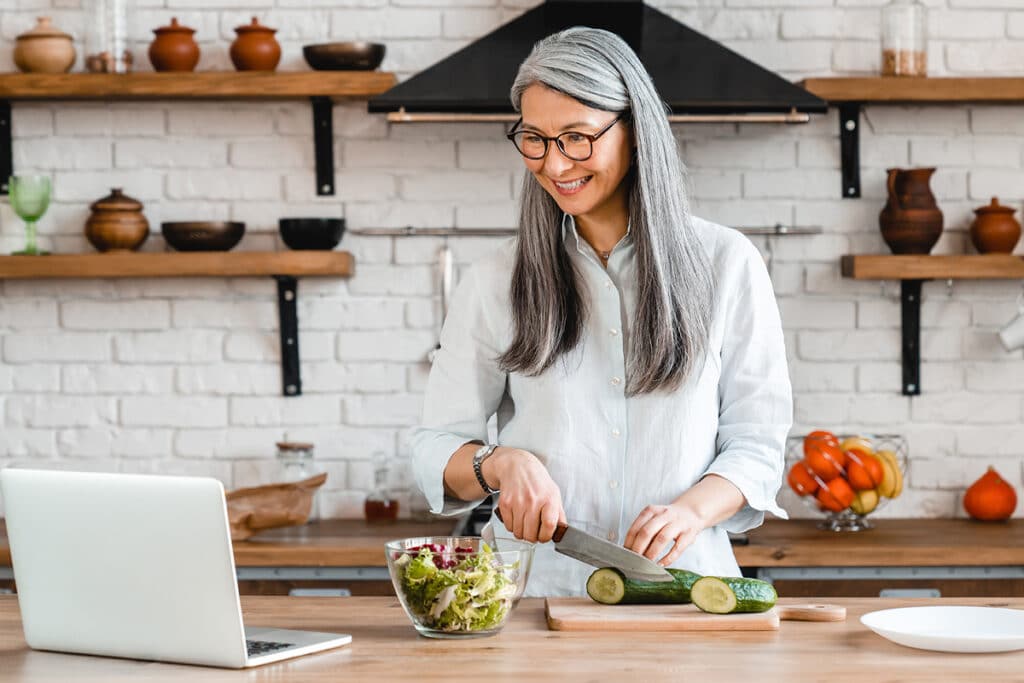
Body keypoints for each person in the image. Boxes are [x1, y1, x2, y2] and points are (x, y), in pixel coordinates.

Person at [409, 26, 792, 597]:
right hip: (534, 596)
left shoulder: (727, 263)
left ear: (635, 132)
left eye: (577, 137)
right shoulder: (496, 278)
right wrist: (500, 463)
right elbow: (436, 446)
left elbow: (758, 446)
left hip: (683, 593)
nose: (555, 164)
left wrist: (689, 513)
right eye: (534, 138)